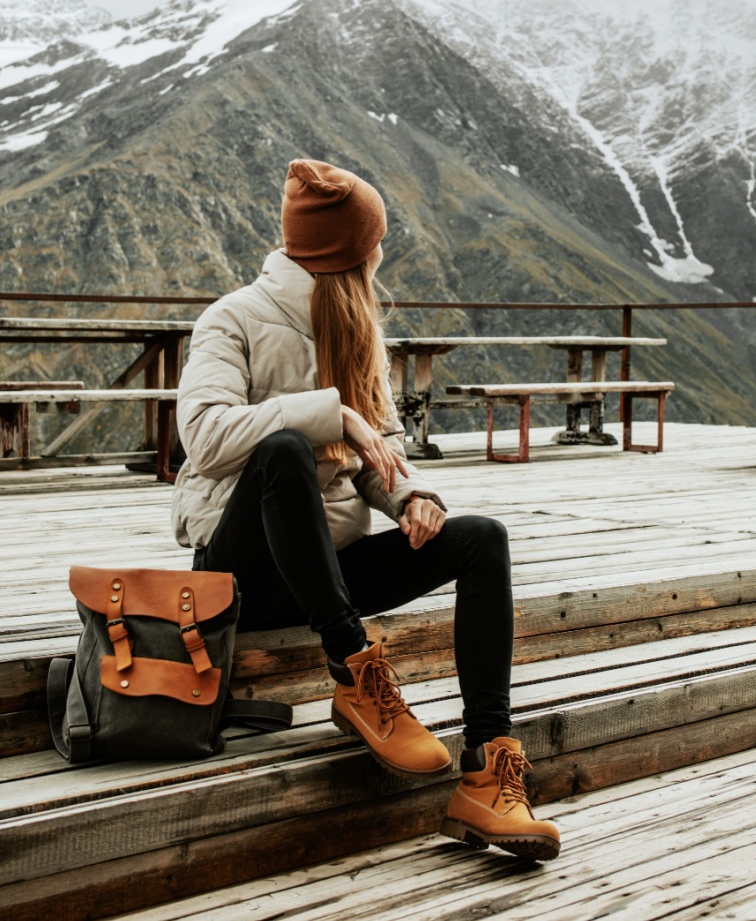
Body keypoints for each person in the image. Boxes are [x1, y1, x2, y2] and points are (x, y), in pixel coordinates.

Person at [171, 158, 560, 861]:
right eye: (374, 241)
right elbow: (200, 436)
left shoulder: (353, 328)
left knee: (483, 539)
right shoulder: (233, 319)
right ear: (350, 251)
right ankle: (357, 670)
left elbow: (378, 452)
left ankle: (487, 767)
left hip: (329, 568)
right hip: (243, 581)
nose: (382, 253)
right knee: (284, 450)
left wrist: (410, 496)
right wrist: (330, 415)